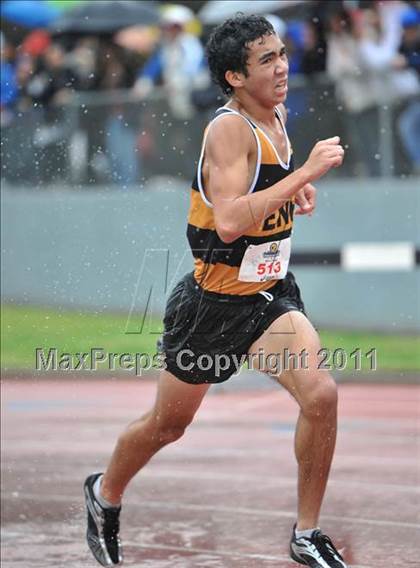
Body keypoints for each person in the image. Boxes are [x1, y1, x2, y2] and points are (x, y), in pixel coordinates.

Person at [84, 14, 346, 568]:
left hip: (268, 295)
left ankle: (307, 533)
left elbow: (261, 187)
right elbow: (227, 222)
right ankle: (104, 493)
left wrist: (289, 189)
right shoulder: (227, 128)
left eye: (281, 53)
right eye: (267, 60)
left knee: (320, 396)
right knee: (167, 426)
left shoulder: (274, 113)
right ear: (233, 76)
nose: (282, 67)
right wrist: (304, 177)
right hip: (213, 304)